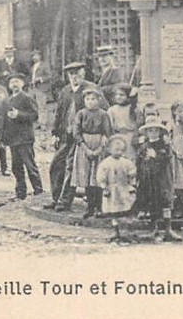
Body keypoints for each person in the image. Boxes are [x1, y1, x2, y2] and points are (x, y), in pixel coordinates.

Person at [48, 61, 106, 210]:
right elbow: (59, 113)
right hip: (65, 136)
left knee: (71, 167)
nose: (75, 78)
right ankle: (56, 198)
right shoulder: (65, 91)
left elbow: (104, 111)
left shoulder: (91, 89)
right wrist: (55, 133)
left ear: (83, 74)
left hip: (82, 138)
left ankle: (65, 201)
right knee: (56, 165)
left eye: (78, 74)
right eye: (71, 74)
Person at [135, 114, 182, 241]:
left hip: (162, 179)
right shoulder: (143, 147)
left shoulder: (164, 146)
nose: (153, 133)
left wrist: (156, 156)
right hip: (148, 179)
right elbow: (138, 162)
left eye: (156, 130)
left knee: (165, 203)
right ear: (146, 133)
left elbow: (167, 159)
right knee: (152, 203)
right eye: (150, 130)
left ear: (160, 132)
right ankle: (154, 229)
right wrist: (138, 176)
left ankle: (168, 229)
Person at [2, 72, 43, 200]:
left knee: (30, 165)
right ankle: (21, 193)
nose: (14, 85)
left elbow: (34, 116)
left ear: (22, 84)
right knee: (16, 167)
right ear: (9, 85)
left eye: (17, 82)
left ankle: (38, 191)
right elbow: (5, 121)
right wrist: (3, 138)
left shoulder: (26, 98)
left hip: (25, 139)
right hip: (13, 139)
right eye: (12, 82)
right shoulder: (7, 100)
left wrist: (19, 114)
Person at [73, 87, 111, 218]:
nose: (90, 102)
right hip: (85, 145)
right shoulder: (81, 114)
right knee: (87, 178)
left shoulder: (103, 114)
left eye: (93, 99)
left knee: (98, 178)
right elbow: (76, 133)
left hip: (99, 144)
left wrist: (100, 149)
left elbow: (107, 133)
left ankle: (99, 208)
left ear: (99, 100)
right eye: (87, 99)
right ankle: (89, 208)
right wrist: (86, 149)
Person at [96, 134, 137, 216]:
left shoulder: (126, 162)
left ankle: (123, 211)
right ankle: (110, 212)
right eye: (116, 150)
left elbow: (132, 172)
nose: (119, 152)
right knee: (111, 198)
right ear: (110, 150)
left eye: (121, 150)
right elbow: (101, 175)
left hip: (122, 184)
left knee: (123, 197)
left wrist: (131, 180)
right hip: (111, 185)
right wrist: (103, 185)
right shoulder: (106, 163)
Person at [107, 85, 138, 159]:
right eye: (117, 95)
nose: (118, 97)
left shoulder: (134, 110)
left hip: (131, 138)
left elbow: (138, 125)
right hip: (117, 138)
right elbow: (109, 126)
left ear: (128, 96)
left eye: (122, 95)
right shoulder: (112, 110)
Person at [28, 50, 52, 128]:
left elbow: (49, 76)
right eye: (33, 56)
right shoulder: (32, 67)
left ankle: (43, 124)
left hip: (41, 88)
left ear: (40, 56)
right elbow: (31, 77)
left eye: (36, 55)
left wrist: (40, 79)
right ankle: (39, 121)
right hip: (33, 88)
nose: (34, 57)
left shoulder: (44, 65)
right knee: (35, 105)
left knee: (42, 106)